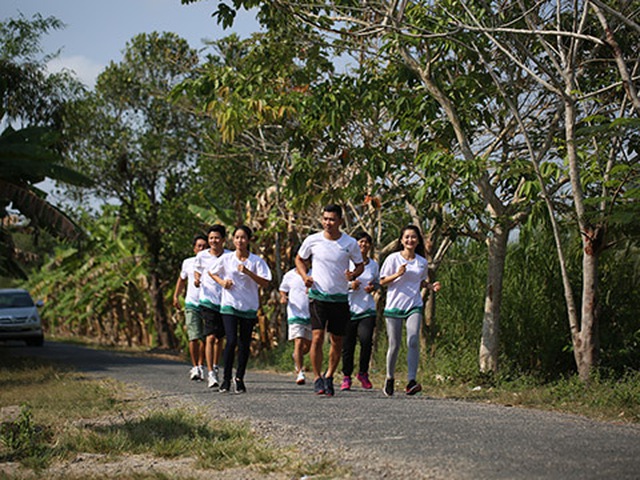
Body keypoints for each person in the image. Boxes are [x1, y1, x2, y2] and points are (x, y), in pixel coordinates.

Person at [295, 204, 364, 396]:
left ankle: (329, 375)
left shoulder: (349, 243)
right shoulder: (313, 240)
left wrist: (353, 274)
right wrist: (304, 276)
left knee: (337, 340)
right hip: (318, 296)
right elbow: (299, 259)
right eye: (325, 219)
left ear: (340, 221)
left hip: (340, 298)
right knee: (317, 337)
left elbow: (360, 266)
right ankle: (317, 378)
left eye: (332, 219)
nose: (328, 223)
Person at [379, 225, 441, 397]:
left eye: (413, 237)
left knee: (413, 340)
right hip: (394, 306)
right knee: (394, 344)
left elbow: (420, 281)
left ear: (418, 241)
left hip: (414, 305)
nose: (410, 240)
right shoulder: (393, 259)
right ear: (401, 240)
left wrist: (430, 286)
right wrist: (397, 274)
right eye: (406, 237)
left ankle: (411, 381)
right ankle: (390, 377)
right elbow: (383, 281)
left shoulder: (421, 262)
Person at [210, 225, 272, 394]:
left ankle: (240, 378)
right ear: (233, 239)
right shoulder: (227, 258)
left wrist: (248, 272)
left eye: (243, 237)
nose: (239, 241)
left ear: (249, 240)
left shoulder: (256, 261)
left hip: (249, 307)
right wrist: (222, 283)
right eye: (237, 237)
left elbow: (266, 282)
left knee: (244, 343)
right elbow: (212, 272)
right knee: (231, 341)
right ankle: (226, 379)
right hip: (229, 305)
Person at [341, 231, 379, 391]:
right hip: (348, 308)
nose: (363, 245)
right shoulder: (345, 262)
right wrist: (350, 285)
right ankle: (346, 376)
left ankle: (363, 373)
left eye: (366, 242)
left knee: (366, 341)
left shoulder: (374, 265)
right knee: (348, 345)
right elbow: (335, 283)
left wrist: (373, 287)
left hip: (367, 308)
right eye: (360, 242)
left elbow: (378, 282)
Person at [194, 224, 229, 389]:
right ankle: (211, 373)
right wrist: (196, 279)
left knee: (219, 338)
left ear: (223, 240)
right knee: (210, 337)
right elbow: (197, 270)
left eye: (217, 238)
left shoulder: (229, 256)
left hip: (225, 301)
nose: (213, 241)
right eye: (211, 238)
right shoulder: (202, 256)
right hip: (207, 300)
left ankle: (215, 365)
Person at [173, 233, 208, 381]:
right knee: (193, 336)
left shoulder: (213, 262)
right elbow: (181, 280)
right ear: (194, 249)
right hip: (191, 303)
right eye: (199, 246)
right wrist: (176, 296)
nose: (202, 249)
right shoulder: (187, 263)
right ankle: (195, 367)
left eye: (205, 246)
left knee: (205, 338)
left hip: (208, 303)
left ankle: (201, 365)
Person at [279, 258, 312, 385]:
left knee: (308, 345)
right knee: (298, 341)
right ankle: (300, 372)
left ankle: (296, 356)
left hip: (311, 313)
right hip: (295, 313)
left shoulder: (314, 273)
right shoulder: (290, 275)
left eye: (307, 261)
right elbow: (283, 289)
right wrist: (283, 296)